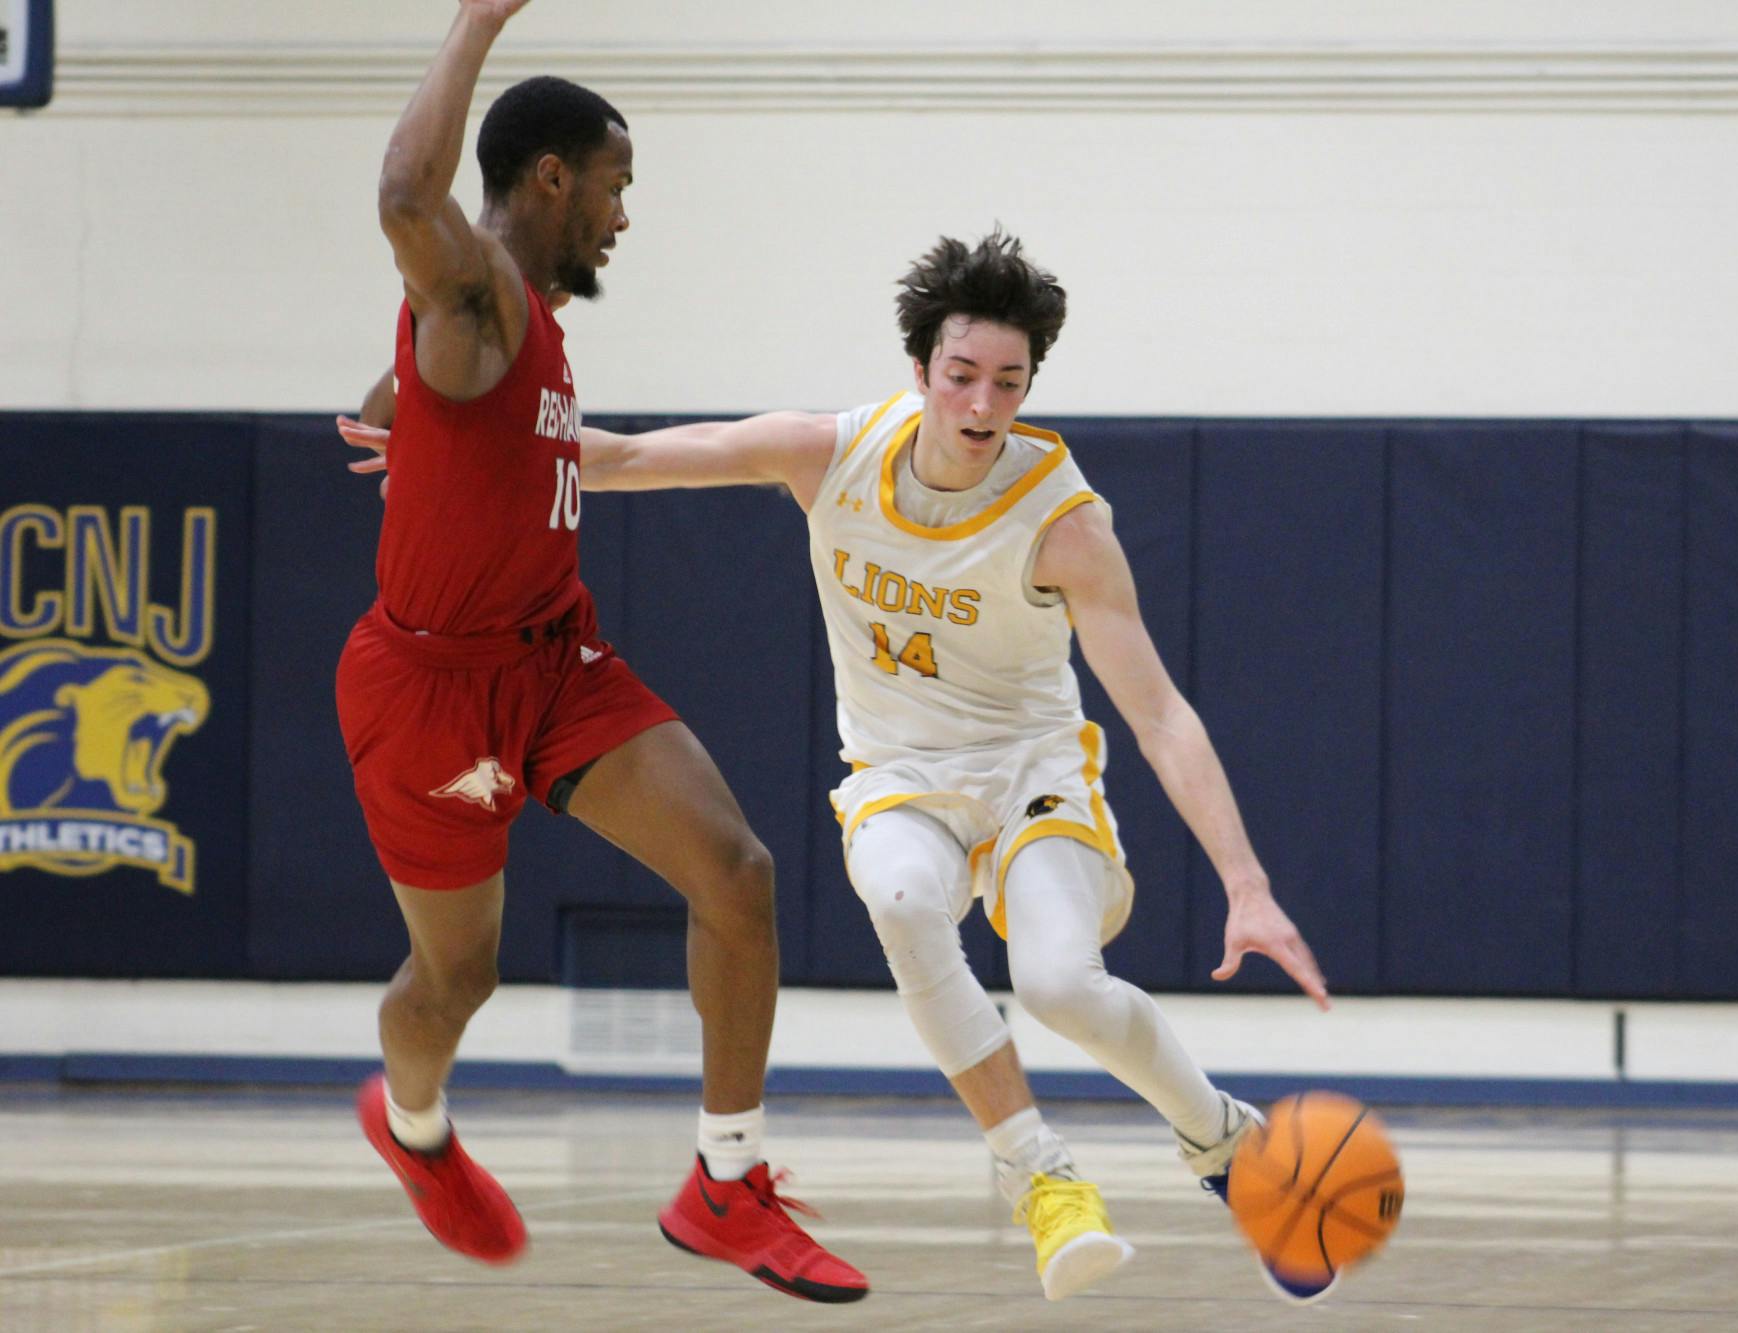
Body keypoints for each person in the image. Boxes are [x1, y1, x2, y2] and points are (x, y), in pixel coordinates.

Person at [342, 229, 1331, 1305]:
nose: (981, 401)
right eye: (960, 374)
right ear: (918, 371)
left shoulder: (1064, 525)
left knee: (1056, 984)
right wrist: (452, 445)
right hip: (900, 780)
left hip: (1029, 780)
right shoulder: (831, 451)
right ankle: (1038, 1176)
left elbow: (1162, 717)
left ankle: (1222, 1143)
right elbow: (617, 457)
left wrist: (1246, 884)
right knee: (902, 894)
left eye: (1008, 380)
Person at [336, 0, 865, 1303]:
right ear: (553, 176)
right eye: (617, 185)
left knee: (738, 876)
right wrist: (476, 24)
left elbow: (431, 387)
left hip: (557, 665)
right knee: (455, 979)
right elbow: (408, 189)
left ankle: (724, 1184)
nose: (628, 216)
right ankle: (410, 1126)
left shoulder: (519, 326)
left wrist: (395, 401)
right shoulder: (480, 290)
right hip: (431, 699)